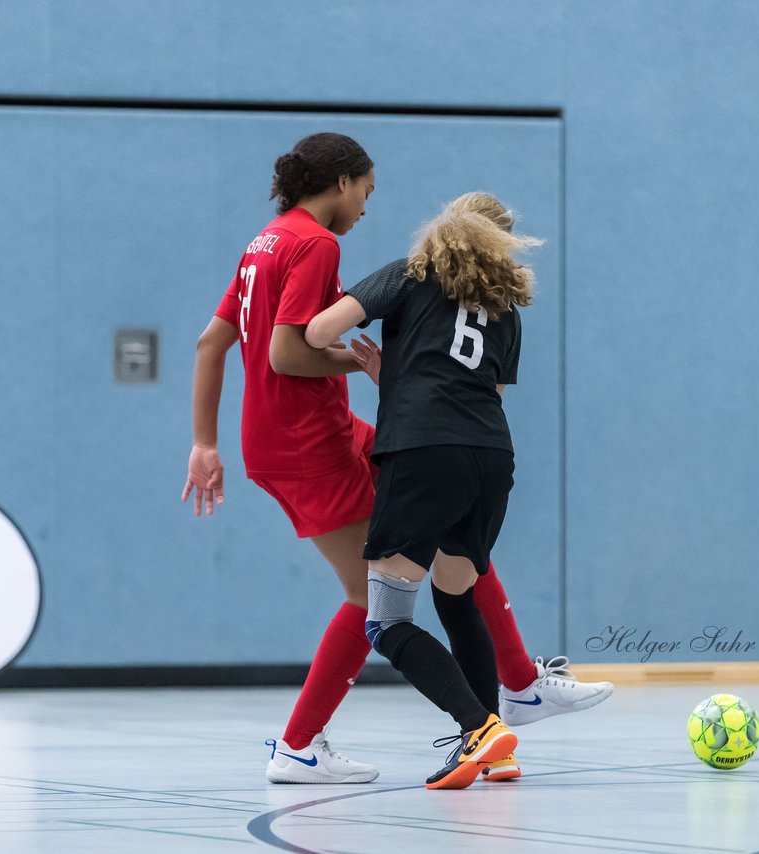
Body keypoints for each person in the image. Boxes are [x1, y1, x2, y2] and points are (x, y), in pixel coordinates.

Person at [184, 135, 610, 785]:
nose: (367, 208)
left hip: (302, 430)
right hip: (309, 440)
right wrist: (372, 365)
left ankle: (519, 685)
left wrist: (204, 441)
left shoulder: (264, 241)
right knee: (371, 598)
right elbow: (286, 354)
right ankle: (302, 745)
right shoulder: (318, 243)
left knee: (437, 534)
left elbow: (212, 342)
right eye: (368, 192)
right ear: (344, 182)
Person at [304, 191, 544, 788]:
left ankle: (479, 728)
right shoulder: (505, 307)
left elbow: (315, 332)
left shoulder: (409, 274)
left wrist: (389, 374)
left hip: (422, 455)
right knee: (457, 595)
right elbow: (487, 398)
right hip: (492, 458)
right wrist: (410, 379)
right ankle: (495, 745)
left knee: (385, 622)